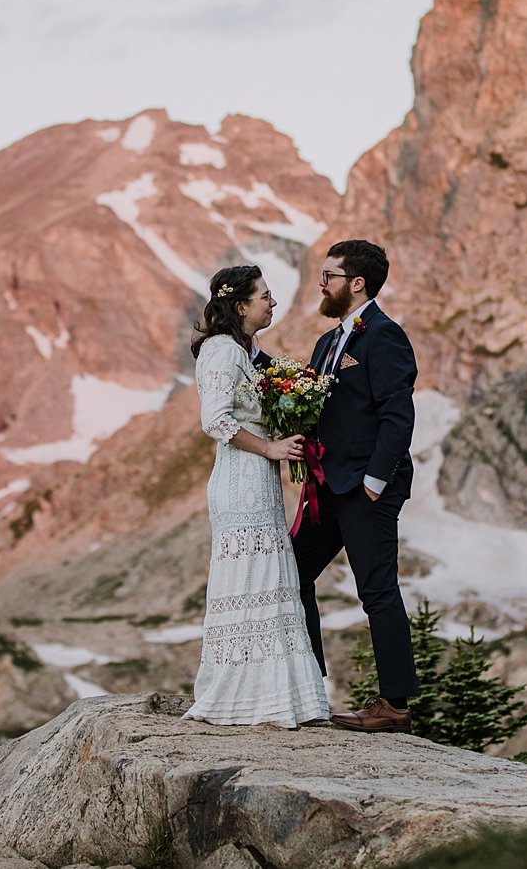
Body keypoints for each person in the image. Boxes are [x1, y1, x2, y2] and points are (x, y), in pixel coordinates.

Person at [184, 264, 330, 727]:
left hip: (260, 480)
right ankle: (241, 693)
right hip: (240, 480)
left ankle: (274, 693)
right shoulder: (222, 352)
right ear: (240, 306)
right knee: (253, 576)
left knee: (270, 578)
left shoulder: (250, 350)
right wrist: (270, 446)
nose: (273, 302)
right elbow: (217, 420)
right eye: (265, 296)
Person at [293, 240, 419, 732]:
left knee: (378, 592)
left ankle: (394, 706)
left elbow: (397, 413)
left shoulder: (385, 337)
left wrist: (374, 481)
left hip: (366, 489)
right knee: (292, 574)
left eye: (330, 275)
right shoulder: (327, 344)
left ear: (357, 283)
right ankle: (307, 683)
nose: (322, 284)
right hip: (328, 489)